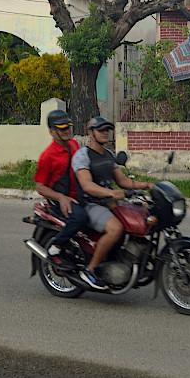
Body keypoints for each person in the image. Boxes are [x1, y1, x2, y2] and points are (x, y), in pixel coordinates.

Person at [71, 116, 153, 290]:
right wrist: (111, 193)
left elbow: (122, 181)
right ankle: (90, 269)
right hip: (90, 203)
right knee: (116, 228)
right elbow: (87, 185)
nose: (105, 133)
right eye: (101, 130)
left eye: (107, 130)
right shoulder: (82, 155)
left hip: (109, 203)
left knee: (138, 220)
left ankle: (121, 260)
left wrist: (147, 185)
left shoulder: (109, 154)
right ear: (91, 133)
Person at [32, 110, 84, 266]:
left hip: (78, 196)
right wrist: (61, 197)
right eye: (62, 128)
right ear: (51, 132)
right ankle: (55, 247)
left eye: (68, 126)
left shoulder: (74, 144)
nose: (67, 130)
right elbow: (40, 187)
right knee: (80, 217)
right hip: (59, 201)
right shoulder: (48, 156)